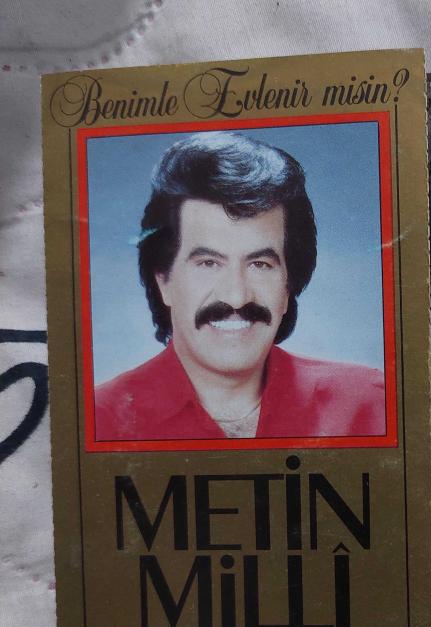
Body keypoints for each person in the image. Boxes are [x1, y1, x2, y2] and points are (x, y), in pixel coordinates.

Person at [94, 131, 386, 441]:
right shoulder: (100, 420)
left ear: (287, 287)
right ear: (163, 280)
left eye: (259, 264)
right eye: (209, 263)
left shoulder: (367, 404)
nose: (236, 296)